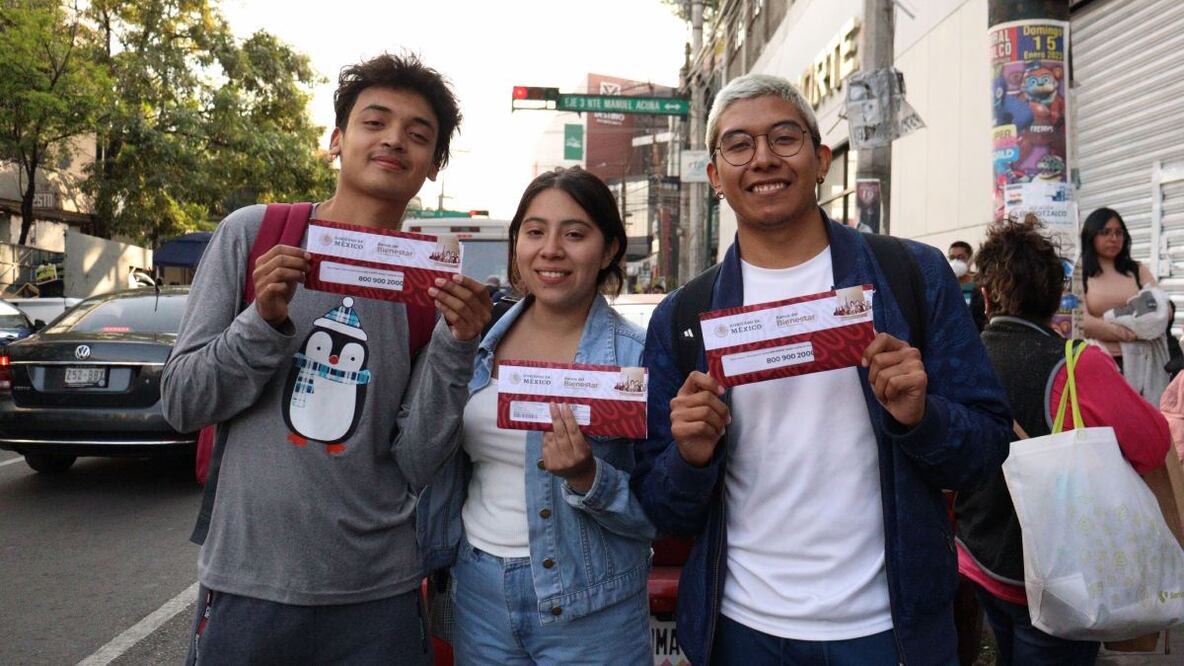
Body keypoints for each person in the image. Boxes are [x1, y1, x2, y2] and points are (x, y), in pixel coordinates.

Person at [631, 73, 1012, 666]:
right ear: (714, 176)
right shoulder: (683, 317)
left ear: (820, 159)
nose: (762, 158)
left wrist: (921, 417)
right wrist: (691, 456)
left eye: (784, 138)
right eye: (738, 145)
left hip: (892, 628)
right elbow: (662, 505)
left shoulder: (912, 276)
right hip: (742, 628)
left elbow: (985, 449)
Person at [161, 54, 492, 665]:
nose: (395, 139)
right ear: (336, 140)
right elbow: (183, 403)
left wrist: (456, 347)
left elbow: (417, 459)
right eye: (376, 122)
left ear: (433, 166)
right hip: (247, 587)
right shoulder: (254, 234)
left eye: (419, 134)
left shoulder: (427, 284)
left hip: (381, 599)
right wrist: (261, 321)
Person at [418, 167, 655, 665]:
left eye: (574, 233)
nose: (551, 249)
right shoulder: (475, 343)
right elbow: (421, 452)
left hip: (592, 605)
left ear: (610, 249)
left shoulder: (636, 360)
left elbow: (662, 509)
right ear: (516, 245)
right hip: (478, 592)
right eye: (534, 231)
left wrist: (590, 478)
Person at [956, 215, 1170, 665]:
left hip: (980, 561)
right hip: (1061, 583)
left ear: (988, 297)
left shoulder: (960, 362)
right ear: (1057, 298)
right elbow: (1152, 443)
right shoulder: (1078, 367)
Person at [1081, 207, 1153, 369]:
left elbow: (1158, 309)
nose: (1113, 238)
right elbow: (1082, 322)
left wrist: (1103, 323)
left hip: (1142, 362)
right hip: (1097, 360)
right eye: (1105, 232)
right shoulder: (1079, 273)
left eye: (1119, 233)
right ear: (1091, 236)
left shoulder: (1137, 269)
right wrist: (1132, 332)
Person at [948, 241, 986, 332]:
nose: (956, 261)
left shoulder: (980, 283)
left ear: (970, 259)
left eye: (961, 257)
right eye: (952, 258)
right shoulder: (946, 284)